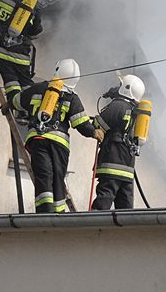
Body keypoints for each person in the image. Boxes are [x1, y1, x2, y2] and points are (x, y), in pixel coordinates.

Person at [13, 59, 103, 213]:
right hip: (59, 144)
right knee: (58, 177)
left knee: (43, 174)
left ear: (57, 70)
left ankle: (44, 211)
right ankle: (58, 212)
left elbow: (17, 102)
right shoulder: (72, 98)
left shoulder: (38, 88)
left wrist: (11, 100)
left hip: (38, 139)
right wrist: (94, 132)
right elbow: (81, 123)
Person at [91, 74, 146, 210]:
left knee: (104, 200)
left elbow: (98, 124)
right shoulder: (137, 112)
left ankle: (93, 228)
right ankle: (124, 231)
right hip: (128, 169)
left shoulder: (118, 105)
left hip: (111, 163)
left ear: (126, 88)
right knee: (125, 207)